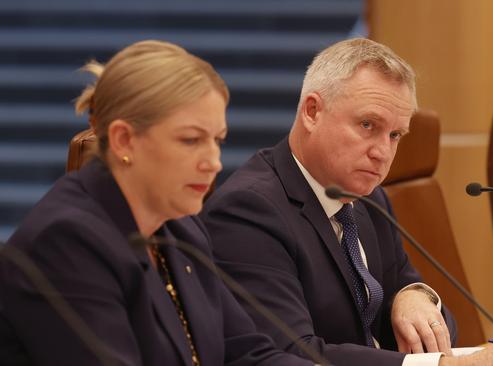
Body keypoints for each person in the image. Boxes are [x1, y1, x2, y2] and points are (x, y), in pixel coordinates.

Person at [200, 38, 493, 366]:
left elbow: (433, 324)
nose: (382, 153)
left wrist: (415, 296)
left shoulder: (366, 198)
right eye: (368, 125)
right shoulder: (250, 211)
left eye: (395, 134)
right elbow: (291, 354)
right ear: (311, 111)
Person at [0, 40, 314, 366]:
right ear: (124, 139)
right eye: (191, 140)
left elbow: (247, 353)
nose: (214, 162)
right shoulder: (67, 241)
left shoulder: (180, 225)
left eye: (217, 140)